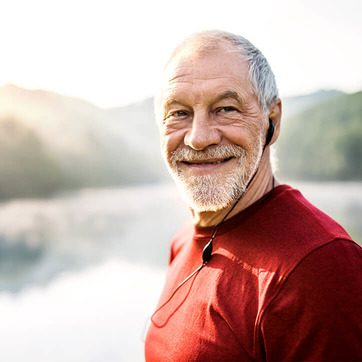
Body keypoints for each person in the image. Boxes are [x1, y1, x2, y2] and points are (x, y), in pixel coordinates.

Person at [144, 30, 362, 361]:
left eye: (226, 108)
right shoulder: (184, 238)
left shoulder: (319, 266)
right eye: (179, 113)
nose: (199, 137)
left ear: (271, 121)